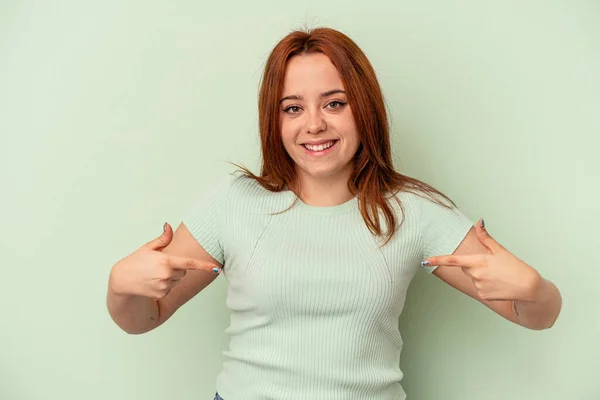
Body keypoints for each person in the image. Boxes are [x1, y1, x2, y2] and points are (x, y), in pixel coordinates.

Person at [106, 27, 562, 399]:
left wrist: (533, 289)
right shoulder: (232, 202)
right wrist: (120, 288)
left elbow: (537, 314)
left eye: (335, 103)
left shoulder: (414, 210)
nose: (314, 123)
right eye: (292, 108)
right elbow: (144, 317)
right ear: (275, 119)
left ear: (363, 109)